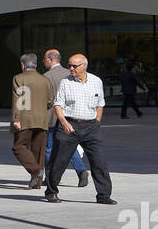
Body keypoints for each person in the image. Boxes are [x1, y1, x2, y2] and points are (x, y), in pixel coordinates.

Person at [45, 53, 115, 204]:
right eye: (69, 65)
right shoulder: (66, 82)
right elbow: (58, 105)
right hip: (69, 125)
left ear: (84, 66)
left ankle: (104, 195)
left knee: (99, 161)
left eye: (74, 66)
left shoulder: (96, 81)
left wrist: (96, 122)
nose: (70, 68)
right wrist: (64, 122)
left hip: (91, 127)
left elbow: (100, 104)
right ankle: (51, 191)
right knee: (58, 160)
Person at [43, 49, 89, 187]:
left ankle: (49, 176)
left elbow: (45, 99)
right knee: (70, 146)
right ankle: (81, 171)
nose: (43, 61)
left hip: (52, 117)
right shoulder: (69, 73)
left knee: (50, 148)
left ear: (51, 60)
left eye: (44, 59)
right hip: (69, 116)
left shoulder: (46, 76)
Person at [10, 53, 54, 188]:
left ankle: (35, 170)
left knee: (18, 147)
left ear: (23, 65)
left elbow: (17, 100)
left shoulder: (18, 78)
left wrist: (15, 119)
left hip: (24, 119)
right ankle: (37, 182)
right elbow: (50, 101)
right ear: (35, 65)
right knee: (39, 151)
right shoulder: (45, 79)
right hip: (41, 120)